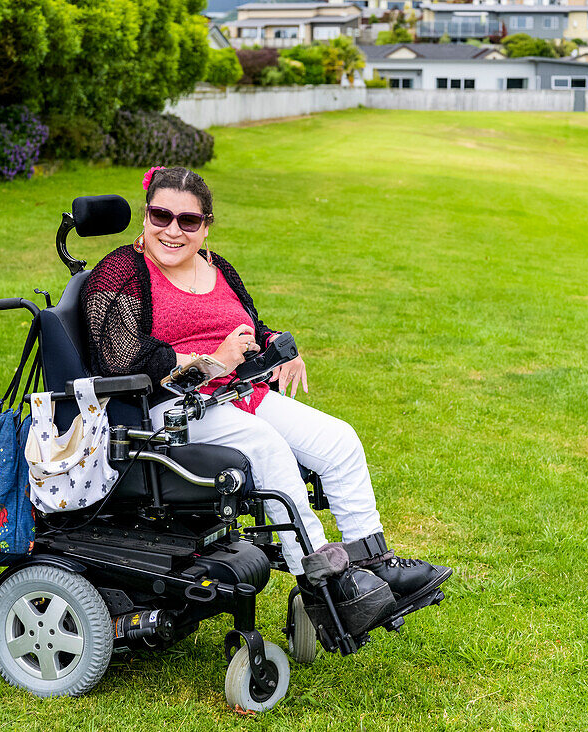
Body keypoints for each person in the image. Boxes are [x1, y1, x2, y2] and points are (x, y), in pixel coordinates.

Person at [82, 166, 451, 629]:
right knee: (268, 447)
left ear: (206, 225)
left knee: (339, 440)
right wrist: (213, 360)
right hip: (170, 409)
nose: (172, 231)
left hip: (236, 394)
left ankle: (375, 564)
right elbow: (120, 357)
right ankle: (326, 583)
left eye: (188, 221)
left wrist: (277, 349)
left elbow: (251, 329)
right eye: (161, 216)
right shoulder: (122, 270)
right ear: (146, 216)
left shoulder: (219, 268)